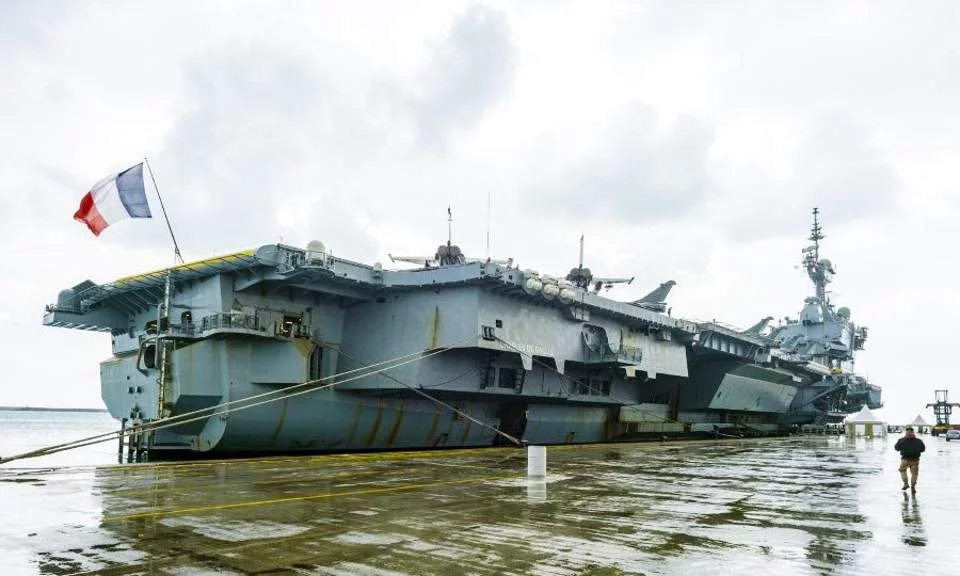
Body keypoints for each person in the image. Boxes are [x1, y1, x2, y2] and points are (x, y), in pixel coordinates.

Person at [894, 426, 926, 492]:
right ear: (913, 432)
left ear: (906, 432)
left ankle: (906, 483)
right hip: (915, 460)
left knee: (902, 470)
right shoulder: (918, 441)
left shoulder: (902, 440)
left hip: (905, 459)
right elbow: (923, 449)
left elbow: (896, 448)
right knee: (914, 474)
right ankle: (913, 486)